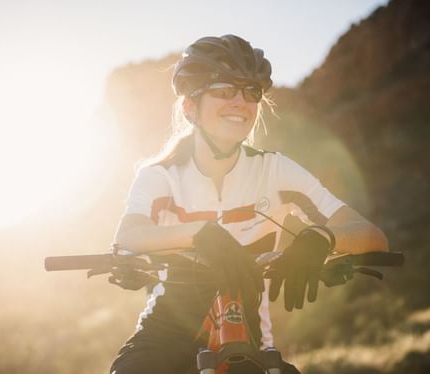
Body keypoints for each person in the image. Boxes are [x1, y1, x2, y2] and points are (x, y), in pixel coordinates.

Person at [109, 35, 388, 374]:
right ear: (189, 107)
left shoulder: (274, 169)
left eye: (251, 92)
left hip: (247, 333)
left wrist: (321, 238)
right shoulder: (161, 175)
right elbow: (129, 235)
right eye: (225, 90)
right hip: (167, 328)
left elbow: (370, 235)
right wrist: (202, 234)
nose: (240, 102)